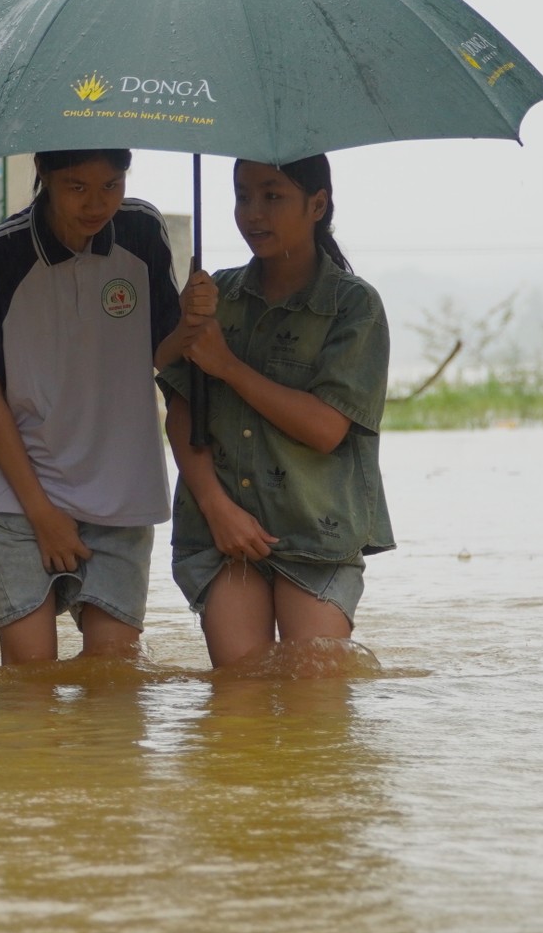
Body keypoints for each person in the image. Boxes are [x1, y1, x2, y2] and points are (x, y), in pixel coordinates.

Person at [0, 148, 191, 665]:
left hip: (120, 492)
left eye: (112, 185)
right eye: (77, 186)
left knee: (113, 690)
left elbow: (163, 352)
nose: (97, 204)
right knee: (29, 685)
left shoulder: (142, 230)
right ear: (42, 171)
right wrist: (42, 513)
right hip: (19, 496)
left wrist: (193, 325)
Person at [161, 156, 394, 668]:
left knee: (316, 699)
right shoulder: (214, 296)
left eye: (272, 196)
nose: (252, 214)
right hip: (223, 530)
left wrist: (226, 364)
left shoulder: (354, 307)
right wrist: (217, 508)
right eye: (242, 196)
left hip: (317, 530)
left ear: (317, 204)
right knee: (238, 701)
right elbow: (180, 410)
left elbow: (325, 428)